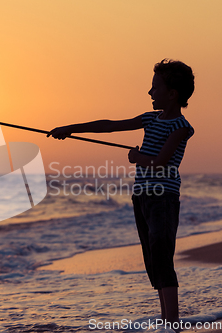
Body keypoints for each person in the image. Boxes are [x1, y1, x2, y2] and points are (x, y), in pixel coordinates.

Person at [47, 59, 195, 326]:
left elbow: (161, 161)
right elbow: (110, 125)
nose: (150, 93)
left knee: (162, 257)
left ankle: (172, 323)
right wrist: (70, 129)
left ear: (172, 94)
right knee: (152, 260)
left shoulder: (181, 127)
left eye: (155, 87)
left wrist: (138, 156)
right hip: (142, 197)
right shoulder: (150, 118)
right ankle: (165, 321)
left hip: (163, 197)